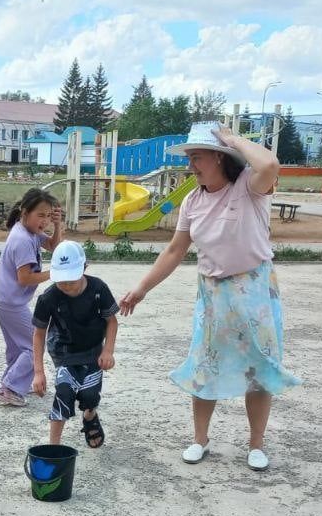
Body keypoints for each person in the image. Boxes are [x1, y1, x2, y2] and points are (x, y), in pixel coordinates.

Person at [119, 123, 299, 471]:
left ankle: (256, 445)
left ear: (219, 157)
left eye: (197, 157)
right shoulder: (192, 200)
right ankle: (200, 439)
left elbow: (270, 166)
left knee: (259, 368)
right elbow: (175, 250)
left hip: (255, 290)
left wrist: (233, 140)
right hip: (213, 294)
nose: (191, 166)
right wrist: (141, 288)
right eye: (190, 159)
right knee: (205, 366)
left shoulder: (249, 186)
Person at [30, 240, 118, 447]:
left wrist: (108, 351)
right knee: (64, 393)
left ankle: (90, 416)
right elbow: (38, 334)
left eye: (72, 280)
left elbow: (112, 321)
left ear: (84, 268)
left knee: (89, 395)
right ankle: (54, 447)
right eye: (62, 280)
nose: (67, 285)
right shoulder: (48, 298)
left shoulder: (99, 289)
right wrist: (38, 371)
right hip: (64, 352)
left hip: (93, 351)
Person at [0, 188, 64, 407]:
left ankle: (15, 384)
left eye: (48, 216)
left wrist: (58, 226)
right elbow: (25, 278)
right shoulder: (22, 239)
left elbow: (53, 246)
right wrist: (57, 273)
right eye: (40, 215)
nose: (44, 221)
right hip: (10, 302)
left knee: (17, 346)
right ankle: (9, 388)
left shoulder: (28, 230)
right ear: (25, 212)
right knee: (35, 344)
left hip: (5, 299)